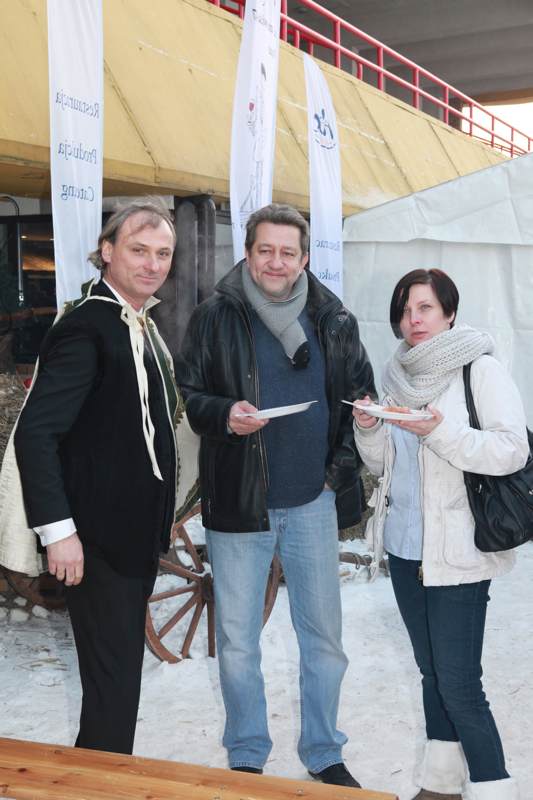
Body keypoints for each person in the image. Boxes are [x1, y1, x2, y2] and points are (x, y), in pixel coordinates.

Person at [181, 203, 375, 787]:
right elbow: (189, 395)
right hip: (239, 502)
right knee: (238, 642)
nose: (276, 261)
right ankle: (247, 751)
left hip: (312, 502)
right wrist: (225, 414)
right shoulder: (214, 316)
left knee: (325, 641)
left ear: (305, 258)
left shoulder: (334, 321)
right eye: (265, 250)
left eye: (288, 252)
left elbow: (359, 400)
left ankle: (324, 751)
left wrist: (334, 475)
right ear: (247, 252)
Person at [12, 198, 198, 754]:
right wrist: (59, 533)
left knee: (114, 688)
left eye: (162, 253)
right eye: (139, 250)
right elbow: (36, 434)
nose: (152, 264)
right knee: (113, 687)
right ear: (108, 251)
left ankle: (98, 777)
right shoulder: (88, 326)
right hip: (96, 542)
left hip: (131, 539)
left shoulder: (139, 324)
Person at [353, 269, 528, 800]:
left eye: (425, 308)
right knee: (431, 674)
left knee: (459, 683)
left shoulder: (480, 369)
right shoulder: (398, 375)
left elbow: (511, 450)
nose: (414, 319)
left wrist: (440, 431)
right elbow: (386, 467)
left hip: (460, 552)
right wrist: (369, 430)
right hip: (407, 548)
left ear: (449, 313)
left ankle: (494, 788)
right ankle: (442, 783)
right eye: (406, 310)